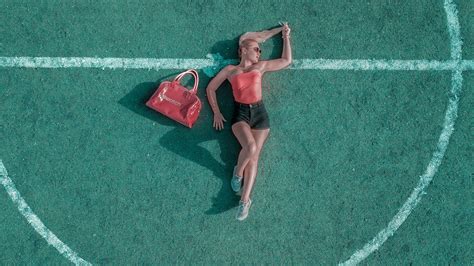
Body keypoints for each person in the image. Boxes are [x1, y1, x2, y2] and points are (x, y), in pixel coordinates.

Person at [206, 23, 292, 221]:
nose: (259, 53)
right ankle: (238, 172)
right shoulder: (230, 70)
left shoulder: (260, 67)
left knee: (254, 157)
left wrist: (285, 36)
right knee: (251, 148)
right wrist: (217, 112)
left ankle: (245, 201)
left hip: (260, 113)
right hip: (241, 114)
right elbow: (211, 88)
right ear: (243, 50)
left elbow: (286, 60)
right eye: (256, 49)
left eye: (260, 50)